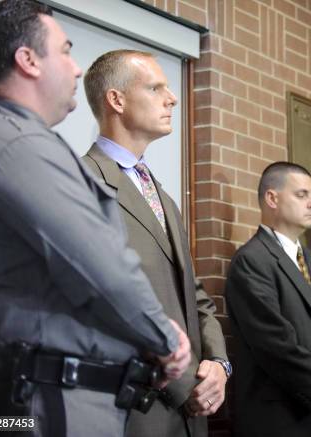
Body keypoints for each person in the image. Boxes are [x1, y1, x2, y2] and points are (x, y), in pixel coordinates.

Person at [0, 1, 190, 436]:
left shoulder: (2, 141)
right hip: (50, 402)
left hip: (27, 398)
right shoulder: (18, 147)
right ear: (28, 60)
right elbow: (102, 268)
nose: (76, 69)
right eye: (66, 51)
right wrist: (166, 340)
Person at [81, 49, 229, 437]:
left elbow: (194, 297)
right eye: (155, 87)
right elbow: (103, 299)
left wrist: (217, 364)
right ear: (116, 99)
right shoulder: (83, 182)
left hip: (192, 410)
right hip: (138, 408)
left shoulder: (163, 196)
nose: (173, 97)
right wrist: (185, 385)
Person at [225, 162, 311, 437]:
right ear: (272, 198)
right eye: (302, 195)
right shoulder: (252, 261)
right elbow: (277, 344)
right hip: (283, 419)